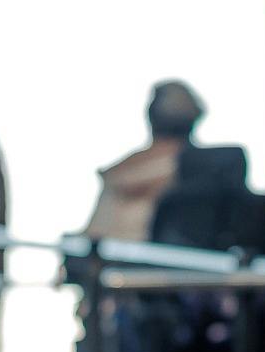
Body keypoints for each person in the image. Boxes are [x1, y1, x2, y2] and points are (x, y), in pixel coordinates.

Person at [83, 80, 205, 242]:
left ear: (150, 117)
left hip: (125, 262)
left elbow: (94, 238)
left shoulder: (122, 178)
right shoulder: (210, 173)